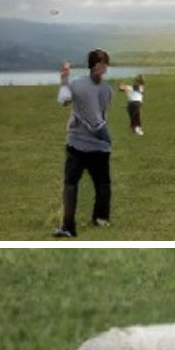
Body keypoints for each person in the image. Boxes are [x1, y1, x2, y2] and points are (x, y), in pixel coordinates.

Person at [53, 49, 113, 238]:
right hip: (77, 143)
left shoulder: (107, 89)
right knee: (70, 184)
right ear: (92, 65)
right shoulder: (78, 85)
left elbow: (100, 115)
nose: (102, 67)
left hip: (98, 146)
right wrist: (64, 79)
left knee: (103, 184)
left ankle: (101, 218)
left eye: (104, 63)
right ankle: (68, 226)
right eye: (98, 63)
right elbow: (63, 100)